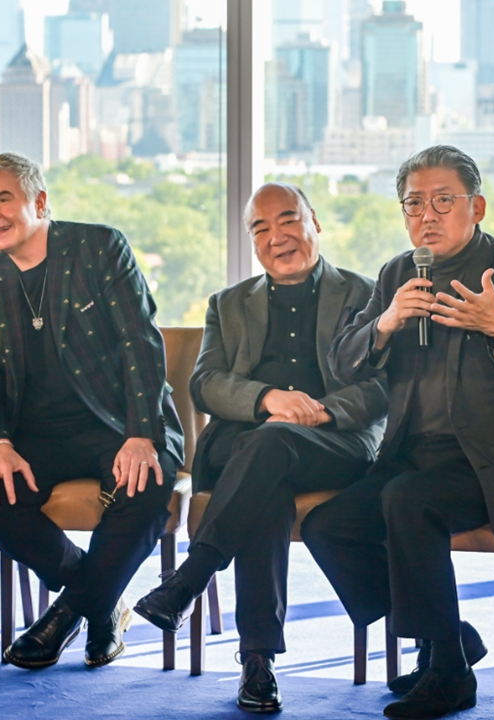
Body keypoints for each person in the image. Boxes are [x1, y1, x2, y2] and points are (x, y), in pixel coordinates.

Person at [299, 145, 494, 719]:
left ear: (477, 207)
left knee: (409, 502)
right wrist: (386, 322)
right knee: (327, 527)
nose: (426, 215)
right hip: (412, 457)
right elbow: (342, 364)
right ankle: (447, 636)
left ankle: (450, 673)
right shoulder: (398, 274)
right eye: (414, 204)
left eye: (443, 201)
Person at [133, 182, 387, 712]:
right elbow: (205, 384)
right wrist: (268, 398)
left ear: (314, 222)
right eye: (260, 228)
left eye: (288, 220)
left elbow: (386, 385)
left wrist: (323, 411)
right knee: (266, 469)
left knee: (267, 461)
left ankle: (197, 587)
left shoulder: (364, 295)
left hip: (334, 444)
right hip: (242, 444)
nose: (276, 237)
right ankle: (257, 660)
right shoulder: (228, 304)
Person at [0, 152, 184, 670]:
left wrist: (141, 435)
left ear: (39, 201)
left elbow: (139, 342)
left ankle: (64, 617)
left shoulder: (99, 247)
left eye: (3, 199)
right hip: (35, 434)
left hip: (118, 422)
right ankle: (102, 602)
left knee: (146, 484)